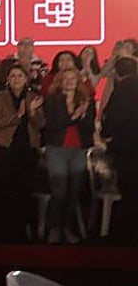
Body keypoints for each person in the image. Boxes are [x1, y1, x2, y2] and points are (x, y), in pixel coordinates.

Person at [0, 65, 45, 241]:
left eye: (20, 76)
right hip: (3, 148)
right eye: (13, 75)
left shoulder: (33, 97)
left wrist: (33, 112)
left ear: (26, 79)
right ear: (7, 79)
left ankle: (22, 230)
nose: (16, 79)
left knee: (25, 190)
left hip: (27, 149)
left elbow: (41, 124)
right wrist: (17, 116)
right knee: (2, 189)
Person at [42, 67, 95, 243]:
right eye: (66, 78)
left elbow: (90, 128)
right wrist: (74, 116)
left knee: (74, 191)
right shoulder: (52, 100)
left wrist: (84, 115)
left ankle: (66, 228)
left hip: (78, 149)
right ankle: (54, 228)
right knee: (59, 190)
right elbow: (52, 125)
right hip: (57, 149)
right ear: (60, 81)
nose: (70, 81)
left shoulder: (86, 101)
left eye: (73, 78)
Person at [101, 56, 138, 242]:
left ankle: (129, 234)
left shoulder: (123, 89)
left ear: (116, 71)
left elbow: (115, 117)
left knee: (129, 190)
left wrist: (106, 134)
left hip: (127, 147)